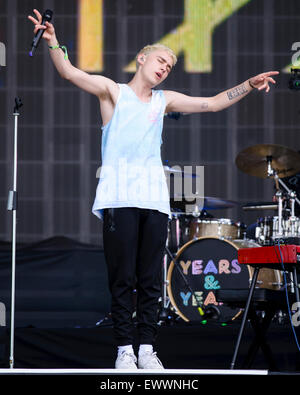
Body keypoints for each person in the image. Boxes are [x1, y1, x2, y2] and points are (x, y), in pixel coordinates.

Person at [28, 9, 279, 370]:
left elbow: (210, 103)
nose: (164, 68)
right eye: (161, 60)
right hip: (118, 199)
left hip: (154, 202)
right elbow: (69, 72)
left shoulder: (165, 101)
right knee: (123, 278)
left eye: (170, 67)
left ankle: (146, 349)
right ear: (142, 58)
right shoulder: (112, 92)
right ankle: (124, 350)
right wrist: (54, 43)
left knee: (149, 280)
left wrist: (248, 85)